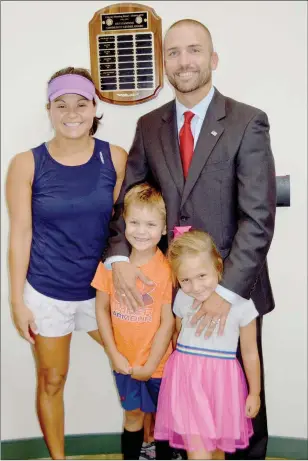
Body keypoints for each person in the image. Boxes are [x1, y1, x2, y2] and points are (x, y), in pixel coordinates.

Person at [105, 19, 276, 460]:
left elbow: (258, 217)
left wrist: (223, 292)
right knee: (182, 397)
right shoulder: (148, 125)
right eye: (175, 53)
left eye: (194, 50)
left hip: (232, 289)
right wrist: (119, 258)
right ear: (165, 65)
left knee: (238, 404)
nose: (185, 61)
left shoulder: (246, 121)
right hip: (172, 290)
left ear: (213, 59)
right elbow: (129, 200)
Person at [5, 66, 128, 460]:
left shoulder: (115, 157)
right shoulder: (25, 163)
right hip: (47, 292)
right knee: (53, 379)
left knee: (141, 362)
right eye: (62, 104)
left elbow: (121, 227)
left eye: (81, 103)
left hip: (99, 292)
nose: (71, 112)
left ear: (94, 107)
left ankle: (145, 442)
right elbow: (20, 234)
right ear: (49, 109)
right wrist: (17, 302)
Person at [154, 228, 261, 460]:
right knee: (198, 453)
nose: (196, 286)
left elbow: (250, 352)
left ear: (218, 267)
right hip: (187, 384)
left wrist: (254, 392)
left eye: (202, 276)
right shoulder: (182, 299)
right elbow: (177, 334)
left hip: (223, 387)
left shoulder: (241, 305)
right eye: (185, 280)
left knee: (216, 449)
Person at [91, 183, 175, 460]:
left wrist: (151, 364)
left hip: (159, 365)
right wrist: (113, 354)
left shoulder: (167, 270)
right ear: (124, 222)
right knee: (133, 416)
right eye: (135, 222)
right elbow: (101, 310)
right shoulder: (110, 266)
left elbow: (167, 322)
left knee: (163, 420)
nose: (141, 231)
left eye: (150, 224)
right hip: (123, 363)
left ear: (164, 229)